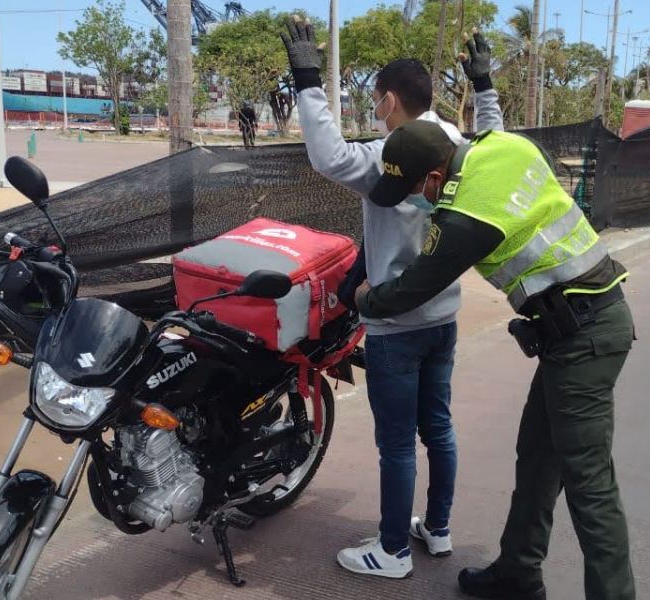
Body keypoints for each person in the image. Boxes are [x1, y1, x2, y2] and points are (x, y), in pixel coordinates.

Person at [354, 120, 637, 600]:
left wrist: (365, 297)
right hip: (573, 330)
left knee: (590, 486)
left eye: (414, 189)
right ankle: (518, 573)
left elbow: (412, 288)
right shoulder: (503, 145)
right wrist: (483, 84)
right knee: (537, 461)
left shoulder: (464, 215)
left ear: (435, 179)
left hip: (584, 336)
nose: (416, 200)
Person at [279, 18, 505, 579]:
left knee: (398, 445)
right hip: (444, 317)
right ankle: (439, 528)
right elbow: (495, 140)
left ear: (387, 101)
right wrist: (484, 88)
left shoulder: (388, 156)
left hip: (393, 324)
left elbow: (328, 156)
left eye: (377, 102)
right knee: (439, 427)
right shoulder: (460, 147)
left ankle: (393, 551)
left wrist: (308, 79)